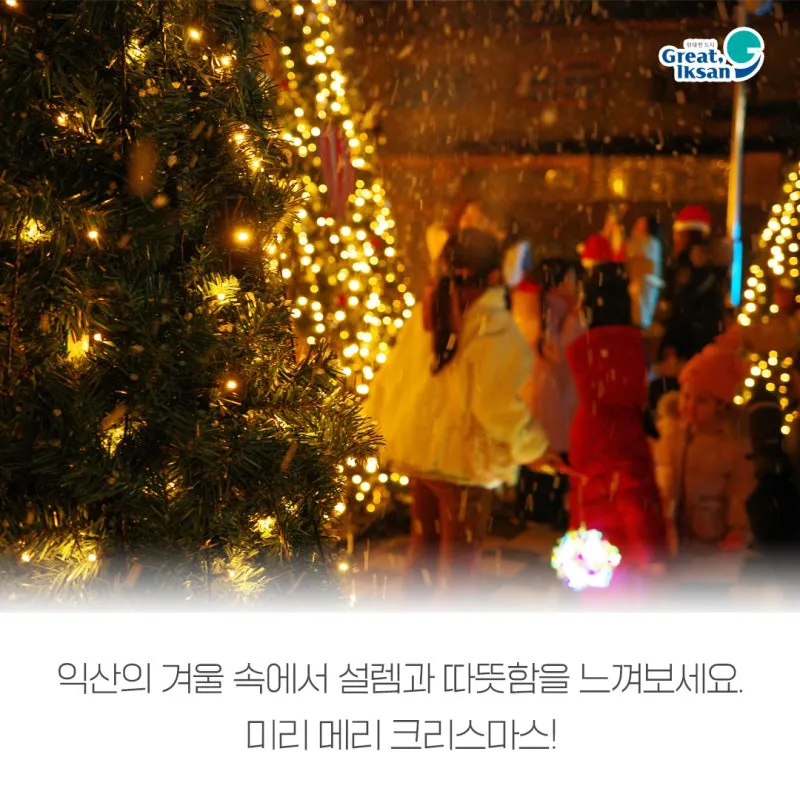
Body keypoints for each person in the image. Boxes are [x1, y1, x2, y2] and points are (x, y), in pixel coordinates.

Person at [364, 228, 563, 596]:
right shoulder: (494, 327)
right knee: (457, 574)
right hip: (464, 463)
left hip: (422, 456)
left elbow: (394, 378)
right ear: (496, 274)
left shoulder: (428, 312)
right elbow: (493, 404)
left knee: (423, 554)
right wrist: (532, 448)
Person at [565, 263, 667, 583]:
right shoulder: (636, 347)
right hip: (624, 429)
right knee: (629, 495)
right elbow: (632, 493)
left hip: (589, 430)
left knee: (592, 501)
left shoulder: (582, 351)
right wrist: (650, 555)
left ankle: (590, 569)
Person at [652, 341, 754, 557]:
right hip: (669, 535)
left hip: (711, 540)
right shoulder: (668, 432)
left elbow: (741, 490)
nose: (690, 405)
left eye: (702, 400)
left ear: (720, 405)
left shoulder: (731, 443)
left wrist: (737, 529)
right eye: (686, 396)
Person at [517, 258, 585, 529]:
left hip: (536, 393)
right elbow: (565, 353)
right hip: (551, 394)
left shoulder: (528, 307)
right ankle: (543, 513)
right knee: (551, 456)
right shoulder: (553, 312)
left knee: (536, 456)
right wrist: (574, 317)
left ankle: (530, 510)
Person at [626, 215, 664, 331]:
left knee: (641, 318)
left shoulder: (646, 243)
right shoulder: (654, 244)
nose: (635, 227)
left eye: (640, 224)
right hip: (643, 287)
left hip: (642, 288)